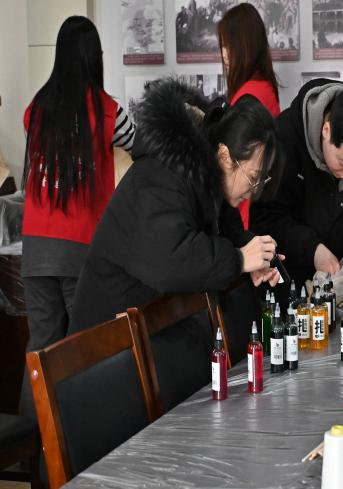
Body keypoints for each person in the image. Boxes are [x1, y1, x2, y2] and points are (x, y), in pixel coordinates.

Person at [70, 79, 281, 333]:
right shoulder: (161, 175)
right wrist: (239, 259)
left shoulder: (207, 180)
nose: (254, 190)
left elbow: (229, 234)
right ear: (225, 156)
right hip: (107, 339)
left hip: (150, 327)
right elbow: (172, 259)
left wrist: (255, 258)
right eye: (253, 177)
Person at [21, 16, 135, 353]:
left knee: (42, 351)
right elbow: (144, 148)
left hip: (36, 250)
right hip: (81, 247)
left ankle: (34, 393)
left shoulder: (35, 109)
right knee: (85, 348)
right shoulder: (109, 112)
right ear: (95, 58)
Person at [250, 78, 343, 290]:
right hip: (287, 282)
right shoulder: (284, 141)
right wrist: (313, 250)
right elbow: (266, 217)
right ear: (326, 130)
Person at [218, 2, 281, 230]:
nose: (224, 54)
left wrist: (239, 234)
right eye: (222, 46)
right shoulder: (264, 86)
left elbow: (244, 170)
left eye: (228, 45)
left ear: (244, 46)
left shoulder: (250, 96)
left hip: (247, 211)